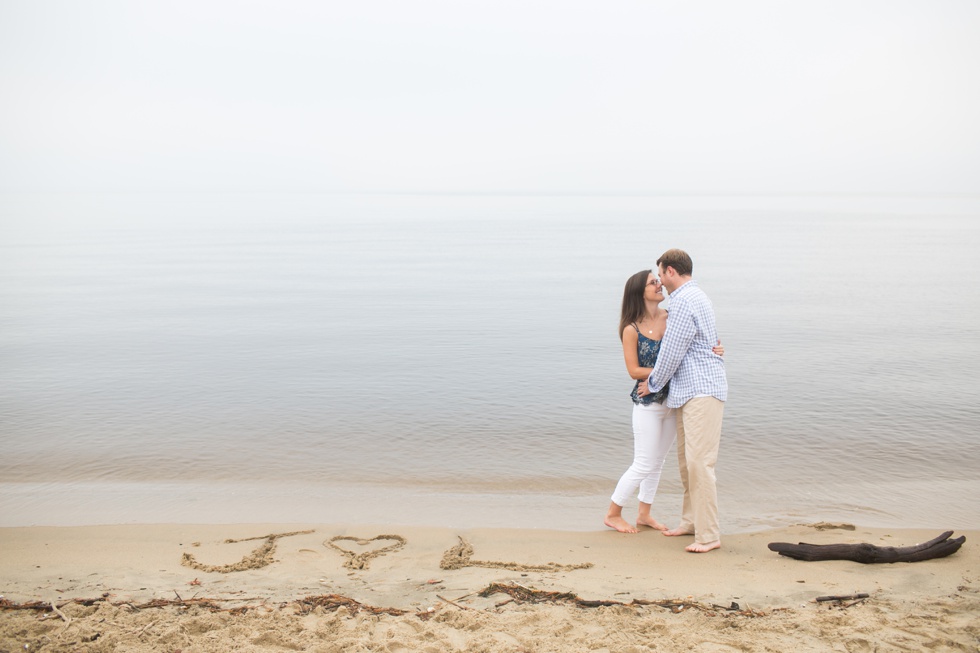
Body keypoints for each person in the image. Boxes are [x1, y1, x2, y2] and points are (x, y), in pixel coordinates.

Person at [605, 269, 723, 534]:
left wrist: (716, 349)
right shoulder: (631, 329)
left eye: (658, 280)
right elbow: (634, 371)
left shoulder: (671, 317)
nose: (659, 285)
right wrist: (664, 372)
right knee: (644, 462)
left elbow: (692, 347)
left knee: (658, 463)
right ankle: (613, 513)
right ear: (640, 292)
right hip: (647, 403)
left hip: (674, 400)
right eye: (653, 282)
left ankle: (644, 514)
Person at [639, 249, 728, 553]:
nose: (660, 282)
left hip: (701, 390)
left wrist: (651, 384)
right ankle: (691, 522)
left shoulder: (685, 302)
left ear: (671, 271)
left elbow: (672, 352)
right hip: (689, 391)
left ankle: (709, 535)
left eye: (661, 274)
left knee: (699, 463)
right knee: (687, 464)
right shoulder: (694, 298)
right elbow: (708, 341)